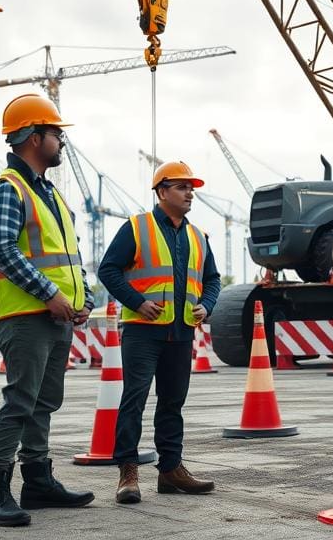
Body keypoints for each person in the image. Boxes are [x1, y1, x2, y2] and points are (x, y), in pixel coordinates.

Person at [0, 93, 95, 526]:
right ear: (32, 137)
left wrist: (80, 298)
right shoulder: (9, 189)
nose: (61, 141)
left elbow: (68, 255)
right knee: (20, 401)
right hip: (26, 316)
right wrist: (50, 294)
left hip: (54, 315)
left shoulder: (49, 194)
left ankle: (38, 481)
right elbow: (2, 250)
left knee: (44, 401)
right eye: (55, 133)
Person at [99, 161, 222, 503]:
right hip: (142, 331)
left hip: (180, 332)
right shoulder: (136, 227)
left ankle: (171, 470)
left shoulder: (198, 236)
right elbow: (108, 270)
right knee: (134, 399)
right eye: (182, 187)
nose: (190, 193)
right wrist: (137, 302)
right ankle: (128, 471)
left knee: (172, 402)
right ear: (162, 191)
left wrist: (207, 305)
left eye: (191, 188)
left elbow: (211, 279)